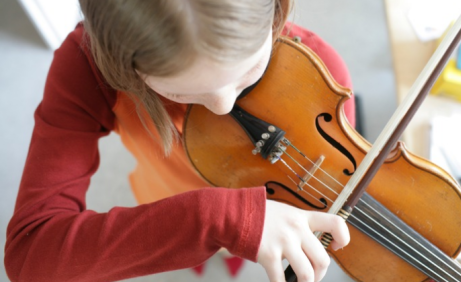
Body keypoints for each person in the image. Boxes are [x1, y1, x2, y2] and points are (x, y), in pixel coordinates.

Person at [5, 0, 355, 281]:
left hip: (272, 205)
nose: (223, 106)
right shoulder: (86, 64)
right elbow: (29, 257)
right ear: (120, 65)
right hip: (167, 197)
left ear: (276, 9)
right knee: (205, 240)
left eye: (247, 72)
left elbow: (324, 186)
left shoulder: (324, 76)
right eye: (180, 92)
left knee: (236, 245)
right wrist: (214, 221)